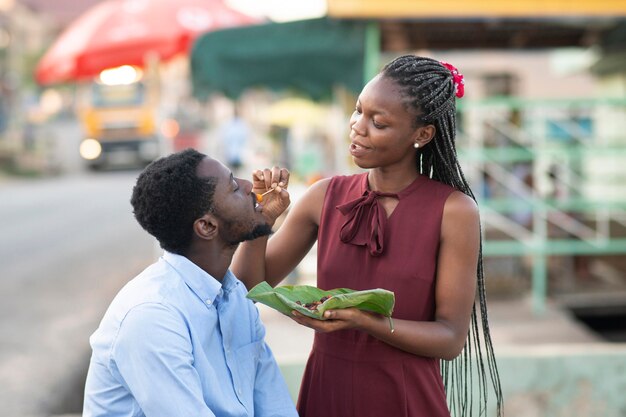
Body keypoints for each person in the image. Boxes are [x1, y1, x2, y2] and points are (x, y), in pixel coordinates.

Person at [232, 55, 503, 417]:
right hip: (328, 390)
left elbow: (451, 338)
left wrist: (366, 321)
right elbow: (248, 284)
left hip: (405, 397)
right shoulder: (324, 195)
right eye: (358, 111)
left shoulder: (454, 212)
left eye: (378, 122)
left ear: (422, 135)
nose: (358, 127)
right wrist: (258, 224)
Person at [82, 149, 297, 417]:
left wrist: (259, 220)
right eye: (233, 188)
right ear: (206, 227)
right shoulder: (153, 317)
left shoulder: (233, 296)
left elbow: (276, 408)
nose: (248, 185)